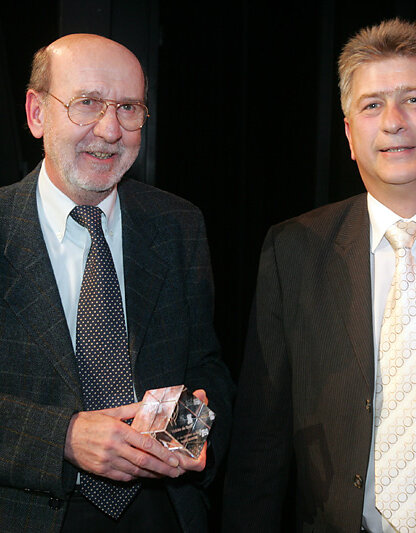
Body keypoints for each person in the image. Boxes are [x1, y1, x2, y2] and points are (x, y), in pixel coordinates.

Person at [222, 18, 416, 533]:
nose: (392, 121)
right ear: (349, 135)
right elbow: (260, 442)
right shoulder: (293, 251)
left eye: (413, 99)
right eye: (371, 105)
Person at [0, 33, 233, 532]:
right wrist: (62, 438)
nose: (110, 130)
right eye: (87, 103)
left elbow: (206, 364)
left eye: (128, 108)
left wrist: (193, 429)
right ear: (37, 113)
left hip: (162, 509)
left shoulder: (178, 224)